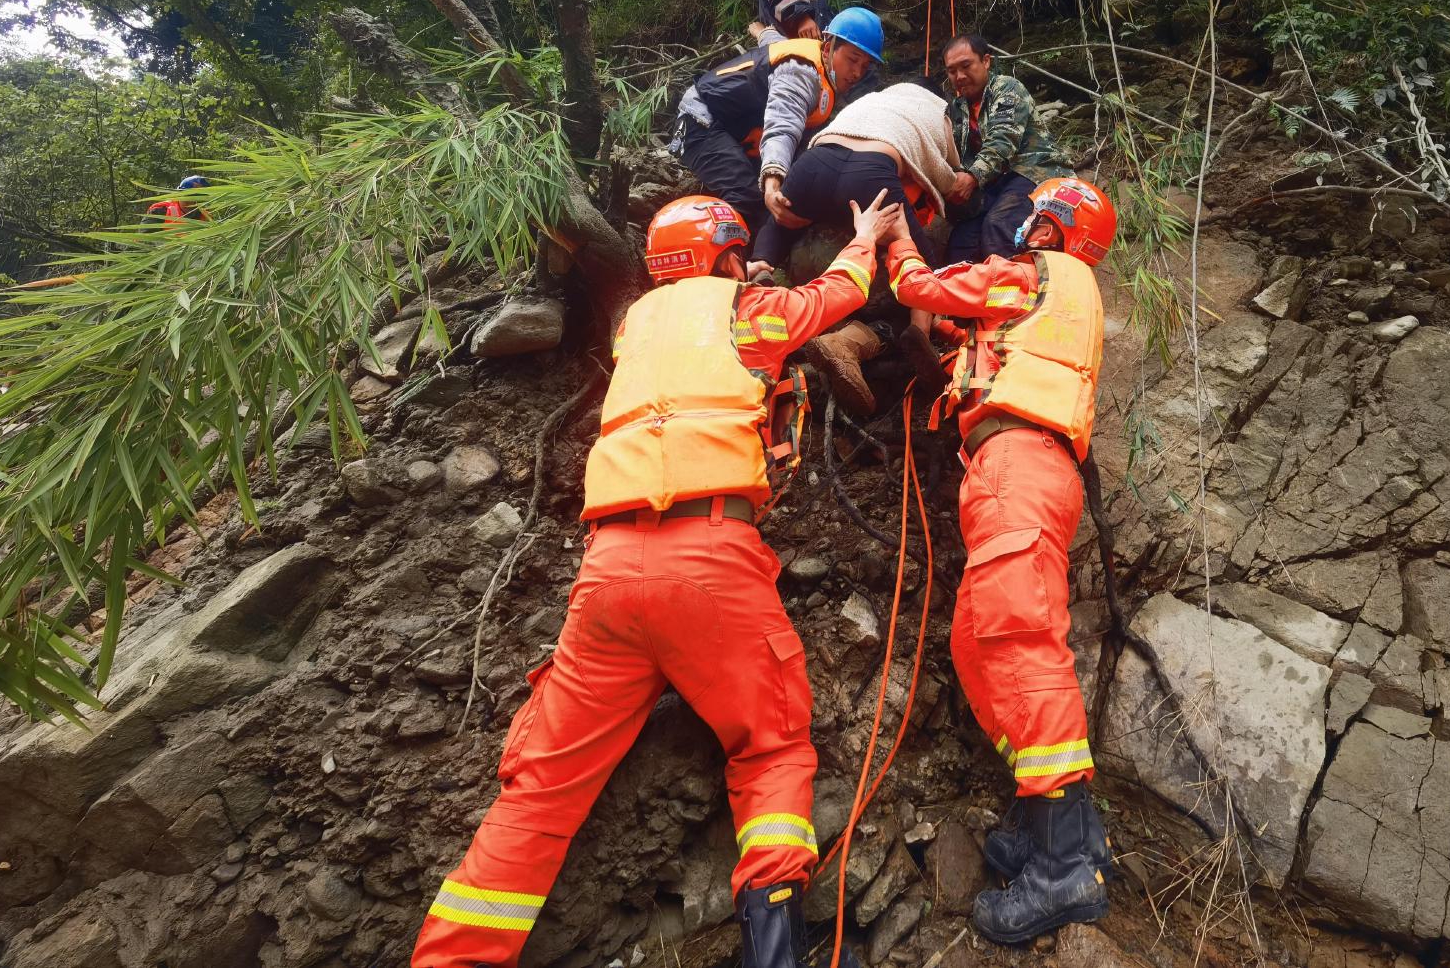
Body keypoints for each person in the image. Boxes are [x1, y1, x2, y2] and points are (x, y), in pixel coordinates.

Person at [412, 190, 902, 968]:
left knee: (542, 787)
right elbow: (834, 295)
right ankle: (774, 948)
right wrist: (867, 237)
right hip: (710, 558)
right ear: (729, 257)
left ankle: (454, 957)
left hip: (608, 571)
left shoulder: (634, 325)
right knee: (769, 745)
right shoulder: (752, 311)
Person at [884, 177, 1117, 945]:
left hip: (1019, 464)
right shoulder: (1059, 296)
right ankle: (1062, 825)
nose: (1026, 228)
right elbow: (988, 335)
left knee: (1020, 645)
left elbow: (921, 287)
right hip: (1022, 469)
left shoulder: (1029, 274)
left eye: (1037, 220)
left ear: (1052, 230)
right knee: (977, 645)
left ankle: (1062, 871)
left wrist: (893, 238)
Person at [748, 82, 961, 413]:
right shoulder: (937, 110)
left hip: (815, 162)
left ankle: (760, 268)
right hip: (870, 173)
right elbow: (944, 170)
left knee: (782, 219)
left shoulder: (871, 99)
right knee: (920, 258)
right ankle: (920, 331)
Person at [672, 7, 885, 235]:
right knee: (748, 197)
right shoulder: (801, 74)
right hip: (699, 121)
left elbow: (775, 42)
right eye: (852, 60)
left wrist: (761, 31)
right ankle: (726, 253)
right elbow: (783, 123)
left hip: (733, 127)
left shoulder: (812, 58)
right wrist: (772, 180)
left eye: (864, 66)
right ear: (828, 47)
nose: (857, 73)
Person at [940, 35, 1072, 262]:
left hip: (1035, 173)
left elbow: (1003, 139)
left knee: (999, 225)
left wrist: (972, 177)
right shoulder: (957, 108)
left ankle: (1016, 284)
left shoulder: (1006, 88)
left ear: (986, 61)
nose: (959, 76)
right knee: (961, 243)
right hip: (996, 185)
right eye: (952, 71)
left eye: (966, 65)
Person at [144, 174, 210, 225]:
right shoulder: (160, 211)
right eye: (190, 196)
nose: (194, 201)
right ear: (180, 194)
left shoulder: (205, 216)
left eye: (199, 197)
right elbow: (145, 236)